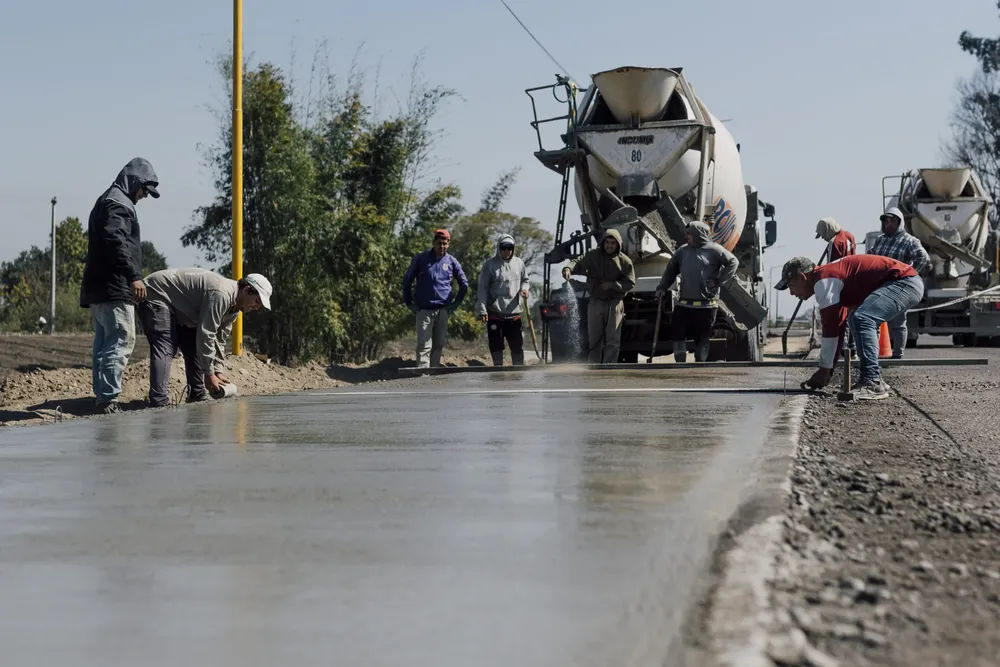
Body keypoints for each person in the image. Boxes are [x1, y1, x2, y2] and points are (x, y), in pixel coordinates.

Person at [775, 254, 924, 400]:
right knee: (857, 318)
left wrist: (824, 369)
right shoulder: (829, 278)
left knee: (862, 318)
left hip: (904, 282)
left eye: (791, 286)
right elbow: (838, 327)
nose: (791, 293)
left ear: (803, 277)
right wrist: (828, 369)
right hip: (905, 282)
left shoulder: (824, 281)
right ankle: (875, 380)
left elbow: (831, 329)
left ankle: (872, 381)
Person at [80, 157, 159, 414]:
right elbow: (116, 240)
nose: (145, 196)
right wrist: (134, 275)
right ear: (135, 182)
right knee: (121, 339)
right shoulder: (119, 204)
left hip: (98, 287)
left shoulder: (106, 199)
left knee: (104, 342)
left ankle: (102, 396)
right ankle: (108, 399)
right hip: (114, 287)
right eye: (145, 189)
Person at [139, 268, 272, 407]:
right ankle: (159, 401)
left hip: (183, 310)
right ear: (246, 290)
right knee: (166, 345)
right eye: (257, 301)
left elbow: (219, 340)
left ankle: (196, 394)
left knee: (195, 347)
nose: (257, 307)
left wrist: (218, 371)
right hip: (157, 293)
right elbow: (206, 333)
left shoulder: (235, 309)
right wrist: (209, 375)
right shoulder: (222, 294)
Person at [655, 221, 739, 362]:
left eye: (689, 233)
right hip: (684, 305)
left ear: (699, 234)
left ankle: (699, 368)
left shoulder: (714, 250)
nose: (686, 236)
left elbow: (733, 262)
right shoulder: (682, 251)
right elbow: (670, 270)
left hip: (706, 306)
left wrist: (719, 281)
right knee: (677, 336)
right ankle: (681, 366)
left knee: (702, 340)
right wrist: (661, 287)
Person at [867, 206, 931, 358]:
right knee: (874, 319)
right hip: (880, 285)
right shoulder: (880, 240)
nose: (889, 223)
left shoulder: (910, 241)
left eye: (892, 220)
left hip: (899, 287)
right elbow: (870, 258)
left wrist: (909, 274)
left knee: (899, 321)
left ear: (900, 222)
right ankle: (873, 353)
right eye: (887, 221)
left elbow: (924, 258)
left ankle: (898, 354)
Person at [567, 228, 636, 364]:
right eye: (607, 242)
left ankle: (609, 368)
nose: (609, 246)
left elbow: (630, 283)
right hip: (596, 302)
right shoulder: (593, 255)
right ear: (603, 243)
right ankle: (594, 368)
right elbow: (578, 261)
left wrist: (612, 285)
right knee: (594, 339)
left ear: (618, 245)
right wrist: (568, 269)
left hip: (615, 304)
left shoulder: (625, 261)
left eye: (613, 243)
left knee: (613, 340)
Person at [402, 229, 469, 368]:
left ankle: (434, 374)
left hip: (443, 310)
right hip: (424, 309)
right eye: (439, 243)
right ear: (433, 243)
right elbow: (407, 280)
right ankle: (423, 375)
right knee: (424, 344)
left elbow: (464, 283)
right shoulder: (421, 259)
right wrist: (409, 302)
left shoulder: (451, 261)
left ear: (449, 244)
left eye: (445, 243)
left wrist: (456, 303)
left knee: (438, 344)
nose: (442, 246)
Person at [476, 234, 530, 366]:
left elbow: (525, 281)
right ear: (499, 248)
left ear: (513, 249)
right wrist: (482, 310)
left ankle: (518, 371)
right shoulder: (490, 265)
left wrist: (525, 289)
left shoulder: (519, 263)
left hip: (514, 313)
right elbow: (483, 288)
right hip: (495, 313)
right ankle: (497, 371)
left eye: (509, 248)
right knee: (496, 345)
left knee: (517, 345)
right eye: (503, 248)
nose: (506, 251)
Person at [815, 217, 858, 356]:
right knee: (851, 316)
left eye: (822, 234)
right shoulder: (849, 236)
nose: (822, 238)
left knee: (840, 318)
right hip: (852, 280)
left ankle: (843, 350)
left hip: (839, 283)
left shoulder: (834, 243)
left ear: (828, 230)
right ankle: (852, 349)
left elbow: (833, 267)